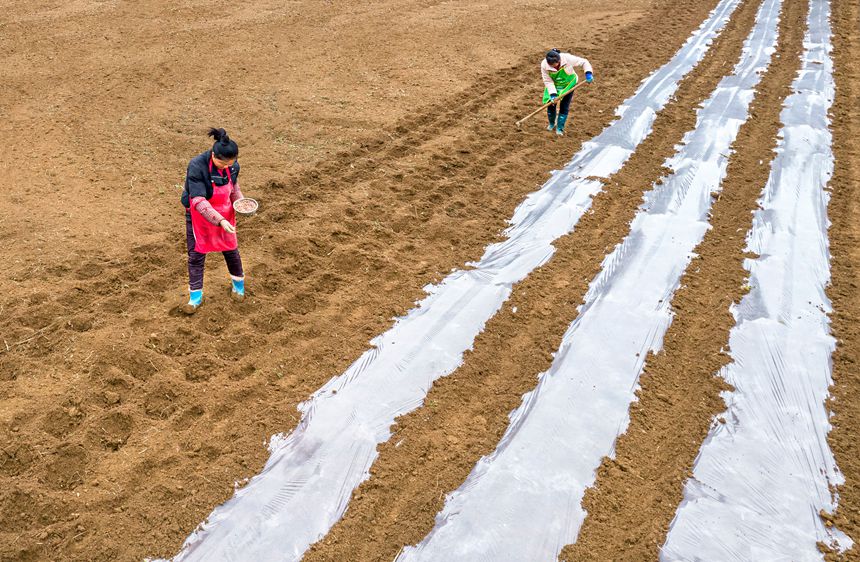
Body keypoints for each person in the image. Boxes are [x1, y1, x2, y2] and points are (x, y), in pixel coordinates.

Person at [180, 128, 246, 314]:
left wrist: (240, 202)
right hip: (199, 215)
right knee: (196, 255)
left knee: (231, 250)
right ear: (213, 154)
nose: (225, 168)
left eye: (229, 165)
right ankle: (195, 298)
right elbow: (198, 201)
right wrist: (220, 221)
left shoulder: (232, 166)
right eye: (221, 164)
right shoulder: (197, 166)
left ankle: (239, 287)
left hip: (225, 212)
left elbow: (233, 188)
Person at [541, 48, 594, 136]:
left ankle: (560, 128)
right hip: (554, 84)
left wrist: (588, 73)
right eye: (552, 67)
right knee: (550, 104)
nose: (555, 67)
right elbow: (548, 81)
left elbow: (584, 62)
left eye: (556, 65)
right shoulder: (544, 65)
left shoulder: (567, 58)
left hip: (568, 84)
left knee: (564, 105)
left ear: (559, 60)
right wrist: (553, 94)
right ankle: (551, 123)